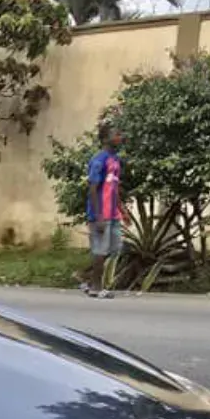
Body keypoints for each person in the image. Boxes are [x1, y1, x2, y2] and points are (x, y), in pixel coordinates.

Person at [81, 124, 124, 299]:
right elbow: (92, 188)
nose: (120, 136)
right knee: (100, 250)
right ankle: (96, 288)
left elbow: (114, 187)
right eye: (116, 134)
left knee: (115, 248)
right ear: (105, 138)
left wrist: (122, 209)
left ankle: (87, 278)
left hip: (113, 213)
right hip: (101, 213)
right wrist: (98, 215)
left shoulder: (115, 159)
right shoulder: (99, 160)